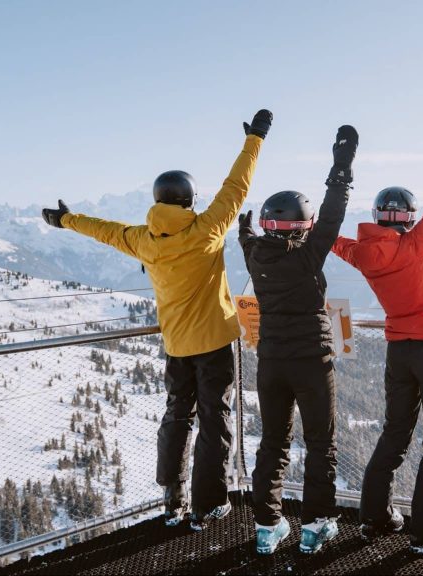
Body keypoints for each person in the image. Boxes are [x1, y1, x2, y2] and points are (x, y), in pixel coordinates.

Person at [41, 109, 273, 531]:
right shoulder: (208, 229)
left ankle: (173, 499)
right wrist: (255, 138)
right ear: (189, 200)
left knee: (177, 418)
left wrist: (65, 220)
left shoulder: (144, 240)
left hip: (177, 347)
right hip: (215, 345)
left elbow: (105, 230)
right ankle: (209, 503)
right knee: (214, 422)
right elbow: (237, 185)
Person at [331, 99, 423, 555]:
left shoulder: (361, 253)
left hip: (399, 352)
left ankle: (375, 518)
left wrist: (296, 222)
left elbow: (328, 236)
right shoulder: (415, 245)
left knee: (394, 434)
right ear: (407, 217)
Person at [238, 125, 358, 555]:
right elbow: (332, 215)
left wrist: (245, 229)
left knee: (272, 444)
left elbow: (248, 236)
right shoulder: (308, 254)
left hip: (271, 363)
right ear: (302, 227)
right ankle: (315, 526)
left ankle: (268, 527)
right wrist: (341, 167)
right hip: (312, 360)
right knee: (320, 443)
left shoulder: (254, 254)